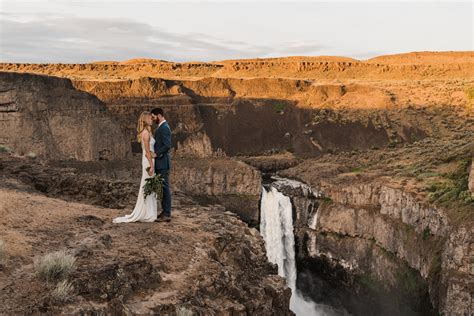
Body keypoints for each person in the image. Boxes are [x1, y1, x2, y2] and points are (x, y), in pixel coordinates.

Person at [113, 111, 157, 223]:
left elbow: (149, 151)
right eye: (150, 118)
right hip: (148, 162)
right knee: (147, 184)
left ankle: (149, 211)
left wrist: (154, 154)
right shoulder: (146, 133)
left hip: (149, 160)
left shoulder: (147, 132)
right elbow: (147, 152)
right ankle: (146, 212)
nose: (152, 119)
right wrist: (151, 166)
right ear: (145, 120)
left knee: (149, 185)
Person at [151, 107, 172, 222]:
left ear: (158, 115)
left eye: (154, 117)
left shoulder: (164, 128)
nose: (153, 120)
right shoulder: (162, 127)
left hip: (163, 163)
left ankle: (167, 213)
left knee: (165, 188)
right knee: (163, 189)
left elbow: (167, 145)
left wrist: (156, 154)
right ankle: (165, 211)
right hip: (161, 163)